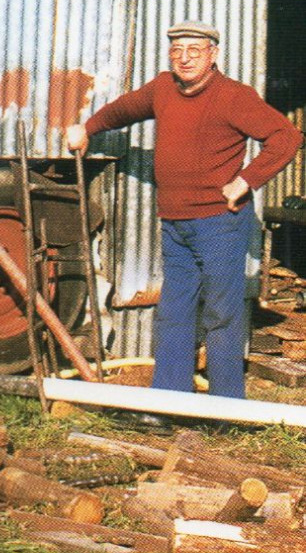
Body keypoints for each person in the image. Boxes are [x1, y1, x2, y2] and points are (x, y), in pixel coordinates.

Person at [65, 20, 303, 403]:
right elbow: (125, 109)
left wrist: (246, 180)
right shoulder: (163, 88)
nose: (185, 58)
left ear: (213, 55)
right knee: (173, 312)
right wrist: (88, 127)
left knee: (221, 313)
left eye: (195, 50)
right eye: (177, 50)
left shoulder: (233, 96)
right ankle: (169, 401)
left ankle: (227, 409)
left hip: (219, 224)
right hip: (174, 222)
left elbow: (286, 137)